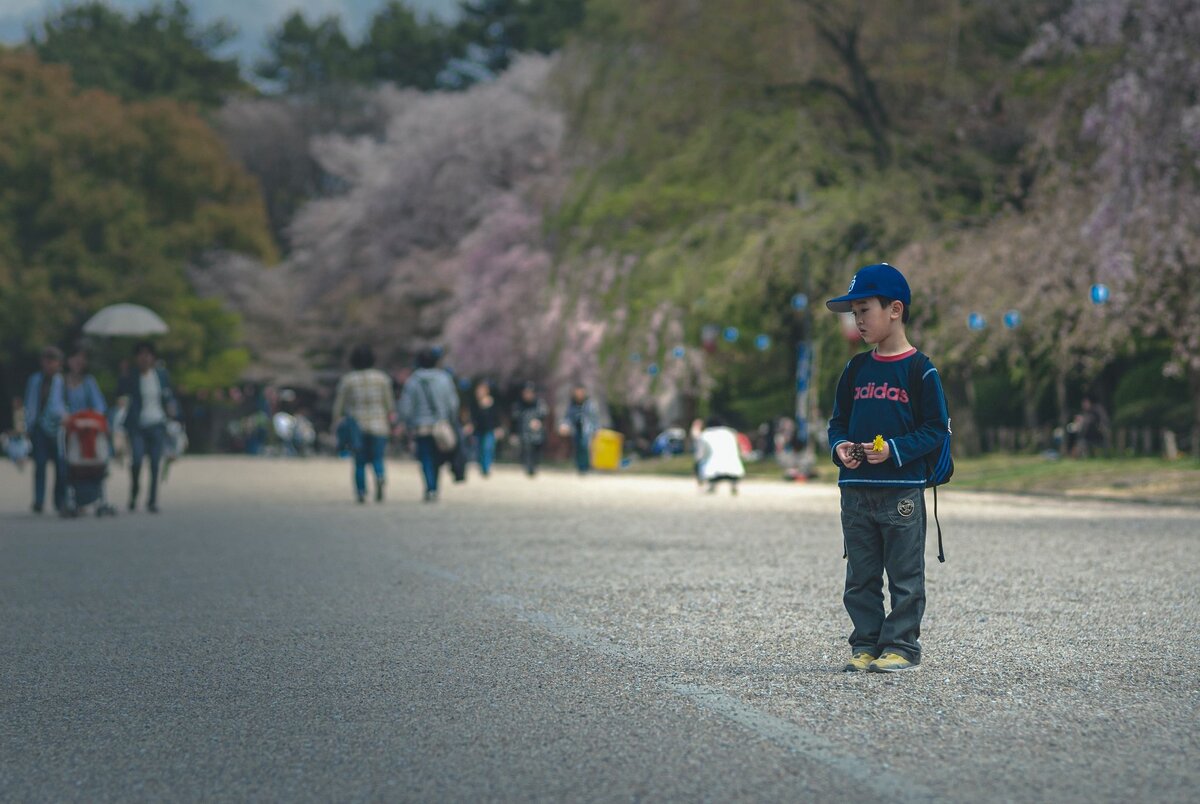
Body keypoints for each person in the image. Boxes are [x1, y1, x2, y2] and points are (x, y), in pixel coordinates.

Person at [825, 263, 951, 674]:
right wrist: (840, 446)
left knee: (905, 576)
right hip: (855, 490)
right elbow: (837, 422)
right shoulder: (856, 369)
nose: (857, 320)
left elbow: (935, 429)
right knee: (860, 578)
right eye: (854, 313)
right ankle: (865, 643)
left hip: (901, 492)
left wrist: (894, 450)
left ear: (894, 309)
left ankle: (901, 645)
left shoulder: (920, 369)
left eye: (864, 310)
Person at [331, 345, 395, 504]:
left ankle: (361, 491)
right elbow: (389, 405)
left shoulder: (348, 380)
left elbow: (339, 406)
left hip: (356, 426)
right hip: (379, 425)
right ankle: (379, 476)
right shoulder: (382, 379)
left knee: (359, 461)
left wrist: (336, 421)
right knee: (378, 458)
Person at [118, 341, 176, 513]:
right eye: (141, 354)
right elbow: (120, 392)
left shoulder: (161, 374)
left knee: (155, 463)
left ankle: (152, 499)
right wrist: (123, 374)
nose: (145, 357)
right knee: (136, 460)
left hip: (157, 422)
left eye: (148, 354)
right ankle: (134, 491)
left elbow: (168, 395)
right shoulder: (131, 375)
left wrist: (172, 411)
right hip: (137, 424)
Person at [397, 348, 460, 502]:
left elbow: (406, 406)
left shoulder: (413, 381)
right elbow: (453, 403)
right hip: (440, 425)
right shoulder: (444, 379)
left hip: (421, 426)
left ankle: (429, 487)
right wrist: (451, 419)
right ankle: (435, 487)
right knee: (437, 459)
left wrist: (405, 421)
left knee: (425, 457)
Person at [23, 346, 67, 513]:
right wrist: (27, 424)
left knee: (60, 466)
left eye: (52, 361)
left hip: (58, 428)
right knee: (40, 464)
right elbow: (29, 402)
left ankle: (59, 499)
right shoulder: (35, 380)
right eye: (46, 361)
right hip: (38, 425)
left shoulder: (62, 381)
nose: (49, 364)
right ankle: (39, 500)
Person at [696, 416, 745, 495]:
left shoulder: (706, 434)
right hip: (734, 469)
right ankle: (734, 485)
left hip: (713, 471)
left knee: (702, 462)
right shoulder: (731, 433)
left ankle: (712, 485)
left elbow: (701, 454)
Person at [559, 384, 600, 474]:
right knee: (578, 447)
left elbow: (594, 418)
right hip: (576, 429)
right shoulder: (572, 405)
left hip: (587, 429)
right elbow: (568, 417)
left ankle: (586, 467)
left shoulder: (589, 404)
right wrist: (564, 425)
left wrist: (596, 429)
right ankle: (580, 467)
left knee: (585, 447)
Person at [466, 379, 501, 478]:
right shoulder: (474, 403)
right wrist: (470, 425)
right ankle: (482, 466)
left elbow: (496, 416)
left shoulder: (492, 402)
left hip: (489, 429)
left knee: (487, 448)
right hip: (478, 430)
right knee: (479, 449)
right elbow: (472, 417)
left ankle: (486, 468)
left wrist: (498, 428)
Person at [512, 382, 548, 477]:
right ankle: (528, 467)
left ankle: (534, 466)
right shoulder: (519, 405)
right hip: (524, 432)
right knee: (526, 449)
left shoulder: (539, 403)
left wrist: (539, 421)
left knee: (536, 450)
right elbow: (514, 419)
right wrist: (514, 433)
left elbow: (545, 415)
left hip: (537, 433)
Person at [63, 343, 106, 415]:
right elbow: (55, 406)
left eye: (83, 357)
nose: (79, 360)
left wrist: (90, 418)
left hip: (84, 422)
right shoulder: (60, 380)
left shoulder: (89, 381)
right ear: (68, 359)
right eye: (75, 356)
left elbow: (100, 406)